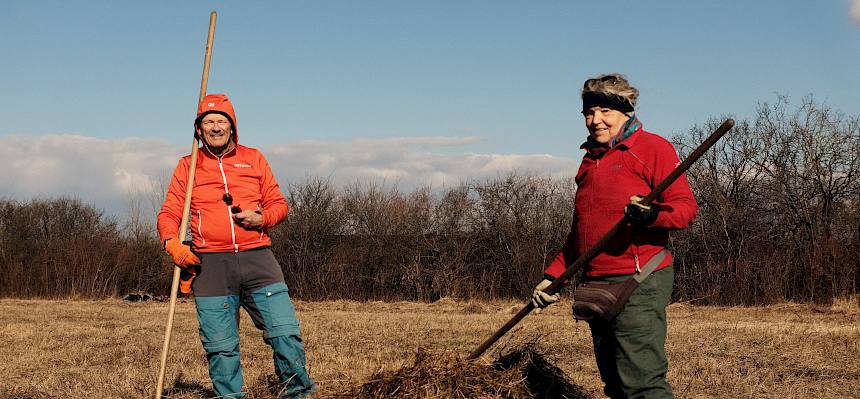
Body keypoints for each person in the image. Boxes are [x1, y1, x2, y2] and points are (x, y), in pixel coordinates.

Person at [531, 74, 698, 399]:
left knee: (641, 385)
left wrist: (650, 217)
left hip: (640, 278)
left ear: (626, 111)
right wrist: (553, 277)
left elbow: (685, 209)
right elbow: (582, 232)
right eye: (588, 113)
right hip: (597, 283)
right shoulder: (590, 160)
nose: (595, 120)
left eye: (605, 111)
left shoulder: (652, 148)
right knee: (615, 385)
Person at [157, 94, 315, 398]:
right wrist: (172, 243)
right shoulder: (188, 166)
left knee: (286, 334)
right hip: (211, 266)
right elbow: (169, 213)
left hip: (258, 260)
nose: (216, 127)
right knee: (221, 348)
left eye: (221, 121)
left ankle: (299, 393)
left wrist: (262, 218)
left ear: (232, 126)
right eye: (208, 122)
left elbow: (279, 205)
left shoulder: (253, 158)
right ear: (198, 129)